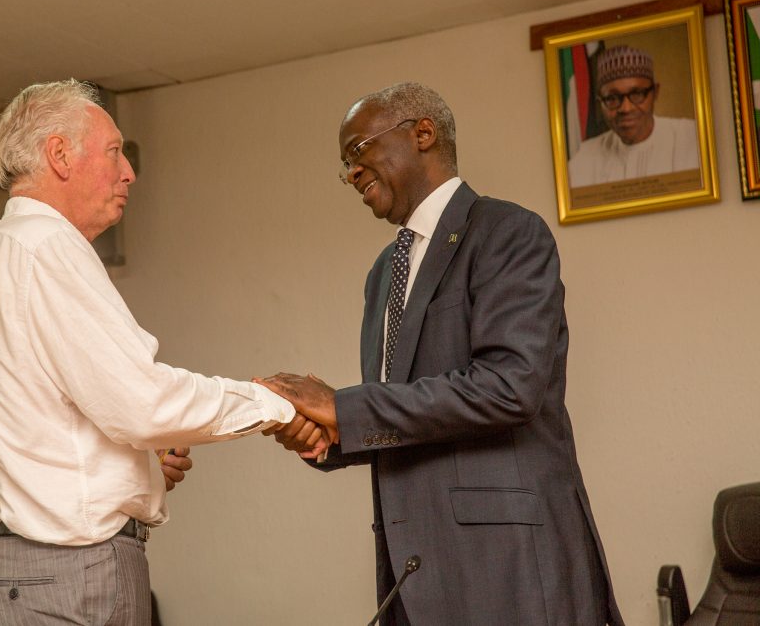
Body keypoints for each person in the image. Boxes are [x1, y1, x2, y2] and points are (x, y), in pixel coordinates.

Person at [259, 83, 625, 625]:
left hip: (508, 566)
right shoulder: (384, 271)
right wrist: (329, 436)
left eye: (358, 152)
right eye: (345, 166)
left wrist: (345, 408)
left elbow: (509, 388)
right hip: (413, 574)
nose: (352, 174)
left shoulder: (508, 233)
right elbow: (405, 412)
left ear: (423, 133)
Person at [0, 79, 295, 626]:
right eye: (113, 151)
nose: (128, 171)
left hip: (5, 571)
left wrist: (131, 463)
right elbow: (143, 405)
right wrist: (275, 403)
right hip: (73, 574)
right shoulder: (50, 248)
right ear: (59, 155)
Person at [568, 44, 699, 187]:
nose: (626, 108)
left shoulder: (692, 138)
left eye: (636, 94)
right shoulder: (586, 157)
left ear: (655, 92)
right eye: (612, 98)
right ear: (600, 103)